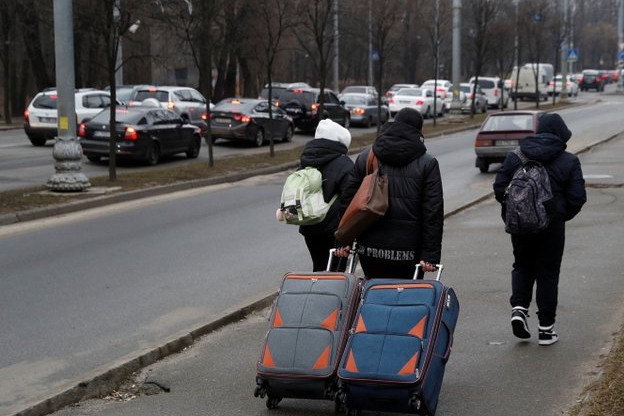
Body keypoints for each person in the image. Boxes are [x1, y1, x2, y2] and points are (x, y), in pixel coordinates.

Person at [493, 113, 586, 346]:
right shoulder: (568, 160)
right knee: (548, 273)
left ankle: (518, 310)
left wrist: (514, 211)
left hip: (519, 225)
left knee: (522, 265)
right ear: (561, 134)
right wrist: (558, 215)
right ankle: (546, 330)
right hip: (552, 226)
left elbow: (499, 188)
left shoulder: (516, 157)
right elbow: (577, 198)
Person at [335, 107, 444, 279]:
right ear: (419, 130)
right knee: (406, 300)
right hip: (408, 253)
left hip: (370, 250)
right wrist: (430, 255)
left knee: (373, 296)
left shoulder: (367, 157)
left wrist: (343, 241)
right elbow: (433, 212)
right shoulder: (427, 164)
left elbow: (348, 200)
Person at [294, 119, 354, 272]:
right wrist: (346, 236)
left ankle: (317, 293)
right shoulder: (344, 164)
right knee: (335, 273)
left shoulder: (306, 160)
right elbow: (350, 201)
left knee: (319, 267)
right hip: (334, 230)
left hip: (310, 225)